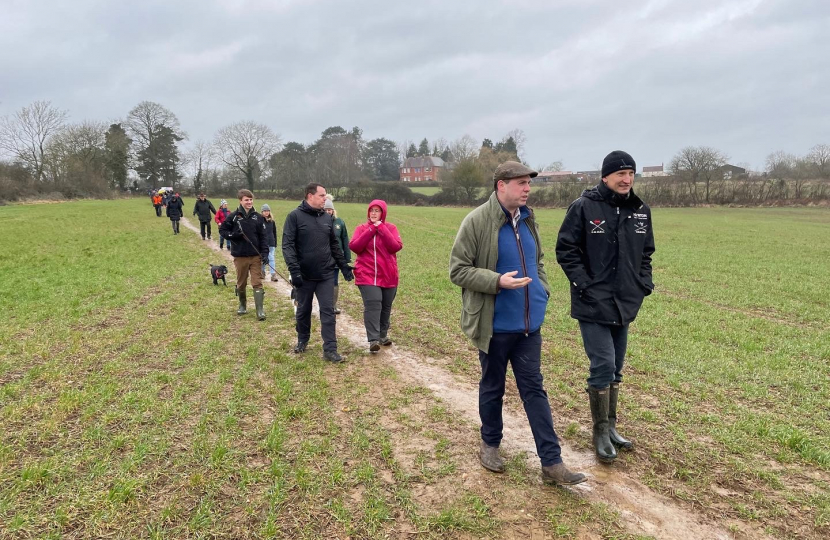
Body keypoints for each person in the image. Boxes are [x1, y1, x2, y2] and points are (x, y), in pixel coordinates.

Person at [449, 161, 586, 486]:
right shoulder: (477, 222)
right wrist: (497, 281)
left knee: (534, 390)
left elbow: (537, 260)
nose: (527, 188)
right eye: (521, 183)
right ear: (501, 185)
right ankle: (490, 445)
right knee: (493, 387)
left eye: (528, 183)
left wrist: (542, 289)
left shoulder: (528, 220)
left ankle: (551, 463)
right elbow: (457, 270)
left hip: (528, 328)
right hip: (494, 326)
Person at [555, 150, 655, 465]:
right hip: (592, 303)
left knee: (617, 368)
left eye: (631, 174)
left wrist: (644, 283)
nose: (626, 180)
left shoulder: (641, 210)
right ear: (605, 176)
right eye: (620, 174)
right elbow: (566, 249)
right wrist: (584, 284)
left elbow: (646, 253)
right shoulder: (584, 207)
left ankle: (611, 428)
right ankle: (599, 432)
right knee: (602, 364)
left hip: (625, 302)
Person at [282, 183, 354, 363]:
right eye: (322, 195)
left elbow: (334, 245)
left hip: (326, 274)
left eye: (325, 196)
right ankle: (302, 339)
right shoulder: (294, 217)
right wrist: (294, 270)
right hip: (304, 275)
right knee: (303, 310)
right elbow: (288, 245)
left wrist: (343, 266)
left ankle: (330, 349)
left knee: (328, 312)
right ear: (310, 196)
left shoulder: (326, 218)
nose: (325, 199)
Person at [349, 199, 402, 352]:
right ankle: (373, 339)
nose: (373, 213)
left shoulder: (391, 228)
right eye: (371, 210)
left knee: (386, 306)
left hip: (388, 275)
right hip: (366, 274)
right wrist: (371, 230)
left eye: (377, 211)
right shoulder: (361, 228)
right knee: (373, 303)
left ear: (383, 213)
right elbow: (355, 247)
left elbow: (395, 247)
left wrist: (382, 229)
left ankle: (382, 335)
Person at [219, 189, 270, 321]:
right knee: (241, 283)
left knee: (257, 282)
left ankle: (260, 310)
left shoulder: (258, 217)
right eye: (246, 200)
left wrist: (265, 253)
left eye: (251, 199)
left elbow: (263, 237)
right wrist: (233, 236)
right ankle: (242, 305)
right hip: (240, 256)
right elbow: (223, 230)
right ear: (240, 201)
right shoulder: (234, 216)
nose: (249, 202)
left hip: (255, 256)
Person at [324, 195, 351, 314]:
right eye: (325, 209)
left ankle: (333, 305)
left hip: (336, 258)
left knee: (334, 281)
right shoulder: (319, 221)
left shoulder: (339, 223)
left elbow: (345, 239)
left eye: (329, 209)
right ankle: (324, 304)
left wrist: (347, 257)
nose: (328, 211)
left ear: (333, 210)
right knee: (324, 282)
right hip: (323, 258)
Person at [261, 204, 278, 282]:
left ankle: (273, 274)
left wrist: (275, 243)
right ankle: (262, 272)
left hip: (271, 242)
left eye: (268, 211)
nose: (266, 212)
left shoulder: (272, 222)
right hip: (263, 243)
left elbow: (274, 232)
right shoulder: (260, 221)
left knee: (271, 258)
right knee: (263, 258)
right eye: (265, 211)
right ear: (262, 212)